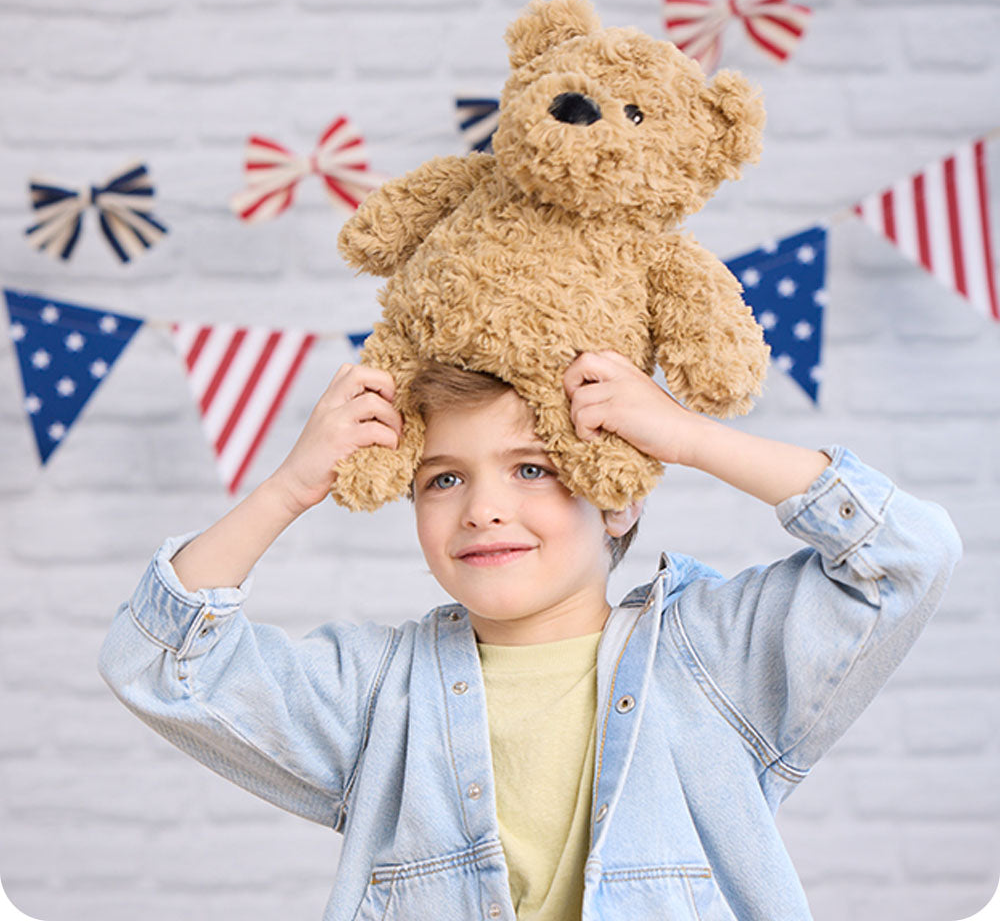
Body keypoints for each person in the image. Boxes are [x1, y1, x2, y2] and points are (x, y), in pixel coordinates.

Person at [98, 350, 961, 921]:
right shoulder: (375, 698)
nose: (484, 508)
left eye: (533, 468)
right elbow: (158, 663)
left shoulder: (712, 663)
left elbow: (908, 553)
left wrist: (686, 437)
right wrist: (289, 486)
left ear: (616, 492)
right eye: (443, 478)